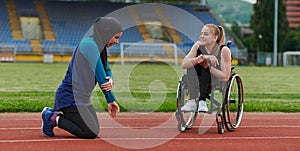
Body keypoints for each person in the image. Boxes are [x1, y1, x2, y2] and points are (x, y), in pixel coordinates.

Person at [41, 17, 122, 139]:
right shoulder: (89, 45)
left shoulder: (100, 47)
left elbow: (106, 69)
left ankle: (55, 116)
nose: (117, 42)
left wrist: (110, 78)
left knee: (94, 128)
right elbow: (100, 74)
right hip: (70, 97)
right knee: (90, 133)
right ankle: (51, 117)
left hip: (82, 99)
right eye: (115, 37)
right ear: (106, 33)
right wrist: (110, 99)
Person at [180, 24, 231, 112]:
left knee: (205, 68)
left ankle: (202, 101)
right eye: (201, 33)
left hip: (214, 80)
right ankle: (192, 100)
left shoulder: (224, 50)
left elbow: (225, 77)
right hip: (196, 79)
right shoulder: (197, 46)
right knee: (191, 66)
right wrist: (201, 58)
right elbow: (184, 64)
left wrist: (208, 67)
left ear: (215, 37)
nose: (201, 36)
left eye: (206, 34)